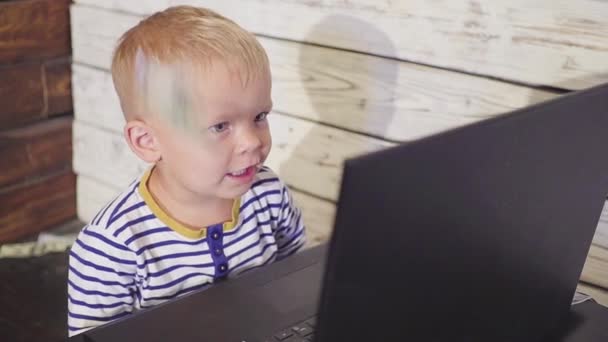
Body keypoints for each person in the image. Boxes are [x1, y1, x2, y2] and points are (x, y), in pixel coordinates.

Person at [67, 6, 305, 336]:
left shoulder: (269, 194)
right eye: (221, 125)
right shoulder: (112, 247)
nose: (252, 142)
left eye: (260, 116)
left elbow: (298, 276)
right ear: (148, 141)